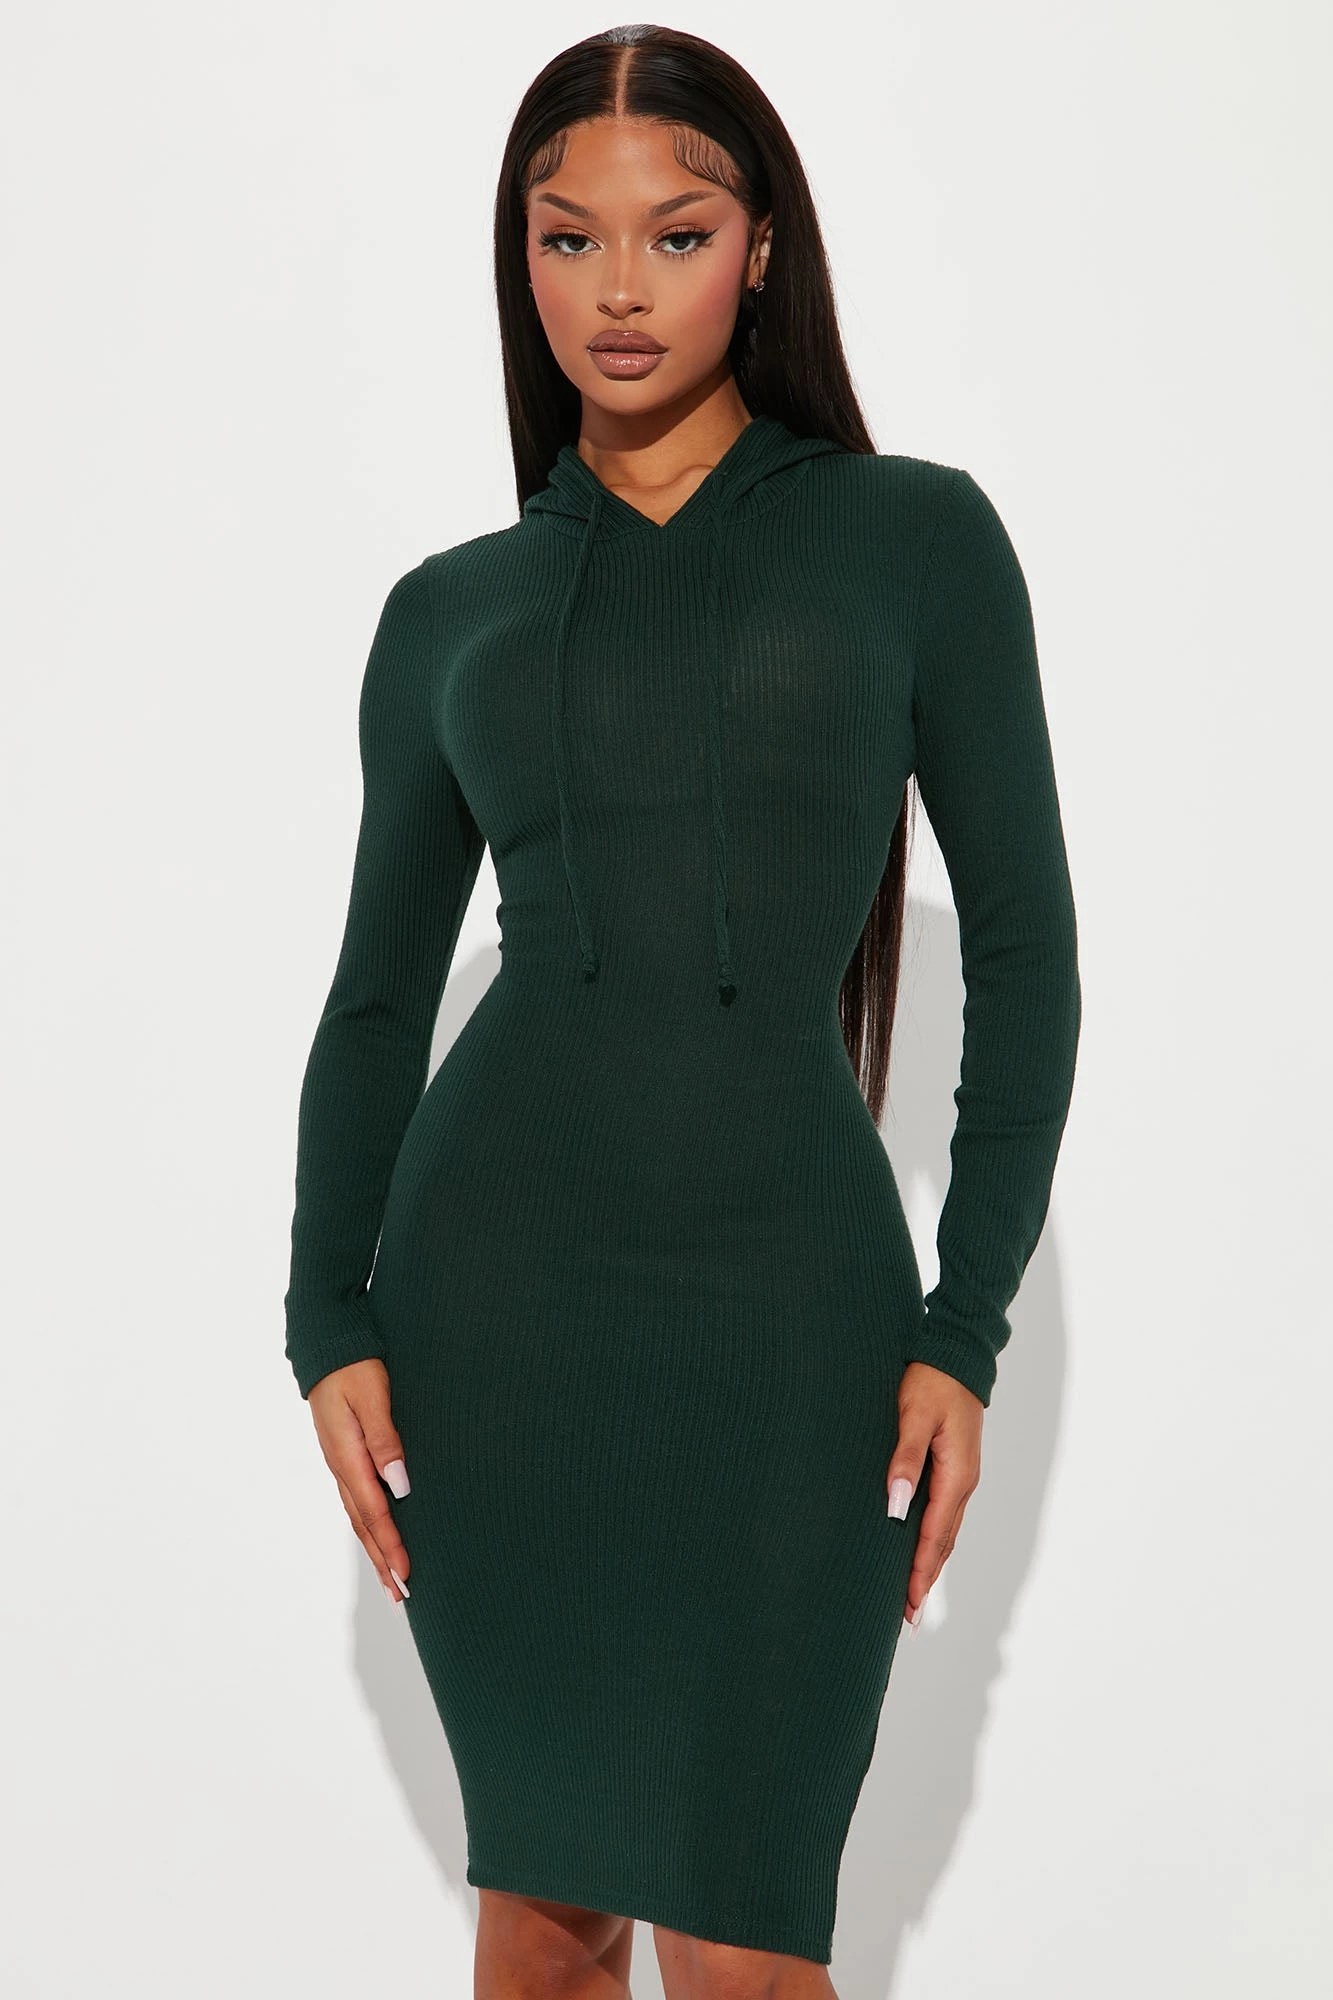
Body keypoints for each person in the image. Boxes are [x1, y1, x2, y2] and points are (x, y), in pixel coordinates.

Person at [282, 23, 1082, 2000]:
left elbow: (1030, 955)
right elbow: (379, 1000)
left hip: (790, 1331)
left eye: (677, 232)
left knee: (745, 1956)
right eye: (569, 238)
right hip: (498, 1323)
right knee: (541, 1945)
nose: (619, 288)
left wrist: (965, 1326)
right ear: (521, 260)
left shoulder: (917, 544)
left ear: (763, 248)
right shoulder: (451, 609)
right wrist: (327, 1315)